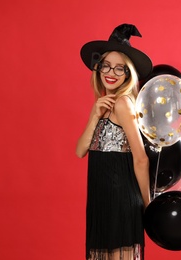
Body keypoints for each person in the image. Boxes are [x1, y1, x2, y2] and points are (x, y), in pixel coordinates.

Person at [76, 23, 153, 260]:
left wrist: (148, 206)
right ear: (98, 69)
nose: (111, 73)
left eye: (120, 68)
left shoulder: (123, 103)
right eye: (106, 65)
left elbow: (140, 158)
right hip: (101, 197)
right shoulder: (103, 103)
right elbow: (80, 151)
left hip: (120, 198)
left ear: (129, 74)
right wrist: (93, 117)